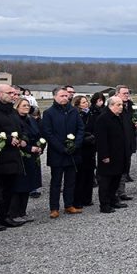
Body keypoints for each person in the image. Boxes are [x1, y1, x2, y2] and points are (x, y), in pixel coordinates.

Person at [41, 86, 84, 217]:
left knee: (70, 181)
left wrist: (75, 145)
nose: (65, 98)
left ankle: (69, 205)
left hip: (72, 152)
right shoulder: (49, 113)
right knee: (56, 182)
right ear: (54, 97)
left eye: (66, 96)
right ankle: (54, 208)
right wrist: (61, 148)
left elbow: (81, 128)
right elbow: (48, 133)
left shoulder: (73, 111)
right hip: (57, 153)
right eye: (62, 96)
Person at [0, 84, 25, 230]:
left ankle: (5, 216)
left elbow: (20, 128)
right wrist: (8, 139)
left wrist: (22, 138)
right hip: (0, 156)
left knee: (9, 188)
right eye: (10, 93)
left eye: (14, 93)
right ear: (0, 94)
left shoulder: (11, 111)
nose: (13, 96)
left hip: (13, 155)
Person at [12, 97, 44, 223]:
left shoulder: (31, 120)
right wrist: (31, 148)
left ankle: (22, 211)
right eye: (24, 105)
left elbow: (38, 134)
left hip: (33, 156)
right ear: (17, 106)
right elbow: (18, 139)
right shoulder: (14, 120)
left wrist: (40, 146)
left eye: (28, 105)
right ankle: (13, 213)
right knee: (19, 185)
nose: (27, 107)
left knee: (28, 184)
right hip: (21, 156)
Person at [94, 96, 128, 213]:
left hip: (119, 154)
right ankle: (104, 204)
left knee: (116, 179)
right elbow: (101, 139)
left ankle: (113, 199)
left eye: (122, 105)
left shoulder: (119, 117)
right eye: (118, 105)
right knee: (105, 181)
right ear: (111, 105)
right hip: (108, 155)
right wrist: (104, 156)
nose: (121, 107)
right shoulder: (103, 118)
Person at [73, 95, 98, 209]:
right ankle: (78, 199)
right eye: (83, 102)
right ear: (78, 104)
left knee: (89, 173)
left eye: (86, 102)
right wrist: (84, 138)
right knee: (80, 175)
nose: (86, 104)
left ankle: (88, 198)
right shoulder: (76, 115)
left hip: (91, 146)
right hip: (81, 147)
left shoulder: (90, 114)